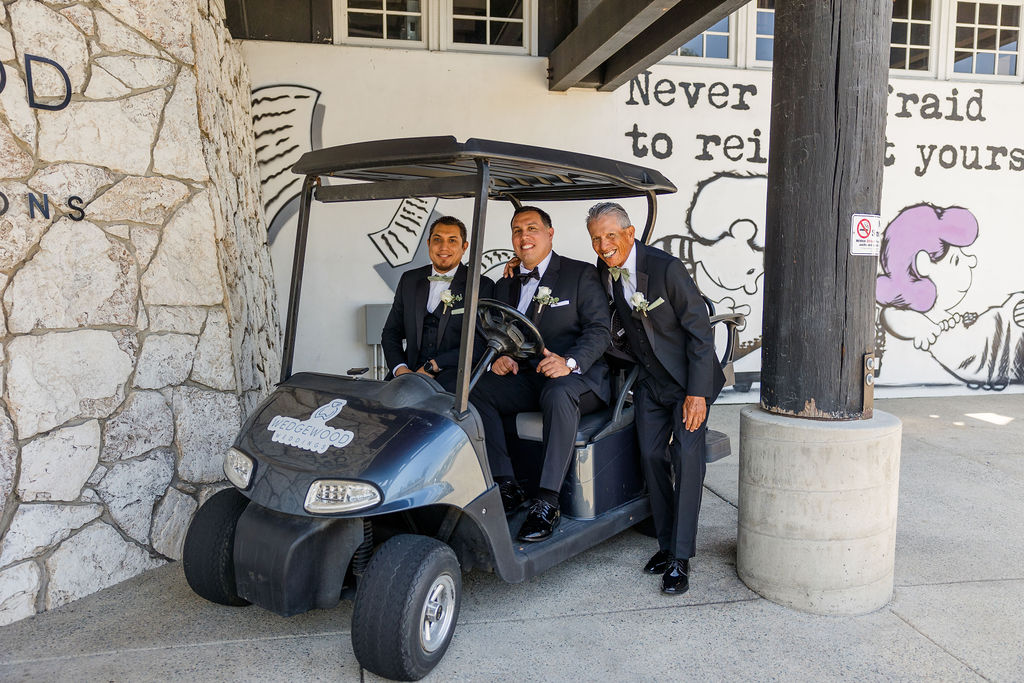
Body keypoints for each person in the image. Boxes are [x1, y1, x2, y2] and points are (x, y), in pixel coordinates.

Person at [586, 201, 724, 595]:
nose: (603, 244)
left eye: (610, 235)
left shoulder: (667, 269)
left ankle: (680, 557)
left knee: (686, 455)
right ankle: (665, 545)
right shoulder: (604, 269)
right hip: (650, 380)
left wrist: (697, 394)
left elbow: (701, 333)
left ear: (630, 234)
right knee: (649, 455)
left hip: (687, 381)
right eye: (596, 238)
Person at [471, 206, 611, 542]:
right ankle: (507, 485)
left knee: (558, 392)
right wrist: (499, 359)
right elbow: (498, 331)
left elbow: (599, 330)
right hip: (528, 376)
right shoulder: (507, 283)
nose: (524, 236)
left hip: (578, 377)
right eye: (517, 231)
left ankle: (547, 501)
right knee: (476, 390)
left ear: (550, 233)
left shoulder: (580, 274)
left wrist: (570, 362)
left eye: (531, 228)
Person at [381, 216, 493, 391]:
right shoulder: (409, 279)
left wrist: (434, 365)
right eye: (437, 240)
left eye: (452, 240)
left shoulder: (481, 285)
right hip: (408, 373)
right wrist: (400, 370)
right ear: (428, 243)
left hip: (455, 377)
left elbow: (480, 344)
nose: (443, 247)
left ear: (464, 247)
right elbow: (391, 332)